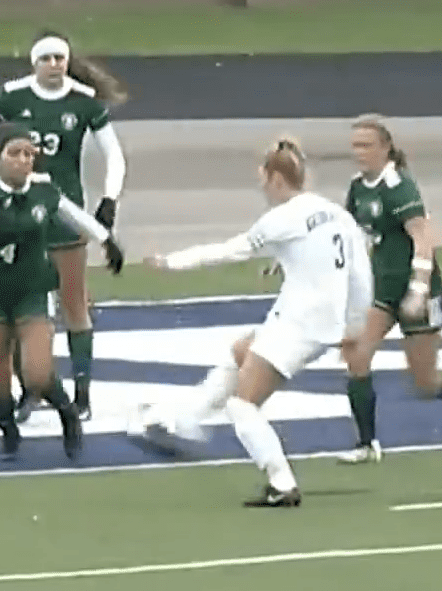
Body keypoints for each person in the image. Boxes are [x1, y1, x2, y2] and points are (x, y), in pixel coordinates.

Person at [130, 137, 372, 508]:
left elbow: (229, 251)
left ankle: (281, 482)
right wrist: (355, 324)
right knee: (240, 352)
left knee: (243, 406)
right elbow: (359, 271)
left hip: (300, 325)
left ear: (276, 178)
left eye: (263, 177)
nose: (261, 185)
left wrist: (169, 262)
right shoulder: (336, 213)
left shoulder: (282, 218)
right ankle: (185, 419)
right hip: (315, 321)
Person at [0, 31, 128, 421]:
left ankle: (83, 393)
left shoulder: (83, 101)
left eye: (60, 58)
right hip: (20, 215)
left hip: (63, 209)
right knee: (23, 303)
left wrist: (109, 199)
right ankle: (30, 390)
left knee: (74, 303)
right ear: (34, 62)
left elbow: (114, 154)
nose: (54, 65)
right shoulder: (12, 97)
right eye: (47, 58)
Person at [0, 122, 126, 462]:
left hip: (32, 290)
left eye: (29, 154)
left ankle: (67, 413)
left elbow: (72, 214)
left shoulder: (42, 190)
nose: (23, 161)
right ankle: (9, 431)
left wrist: (106, 240)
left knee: (36, 372)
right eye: (15, 154)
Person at [336, 115, 442, 465]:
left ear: (385, 148)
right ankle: (366, 444)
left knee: (425, 383)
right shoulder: (358, 187)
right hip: (381, 290)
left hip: (417, 291)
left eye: (366, 145)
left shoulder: (398, 186)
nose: (359, 153)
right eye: (355, 146)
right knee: (357, 358)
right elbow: (351, 233)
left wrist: (419, 288)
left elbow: (424, 238)